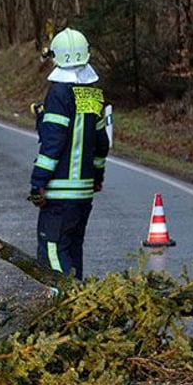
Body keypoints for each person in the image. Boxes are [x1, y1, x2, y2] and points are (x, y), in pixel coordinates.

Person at [28, 27, 110, 279]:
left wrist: (37, 182)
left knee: (52, 252)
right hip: (83, 193)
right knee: (73, 252)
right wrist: (97, 177)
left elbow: (53, 144)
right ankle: (81, 306)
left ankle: (66, 308)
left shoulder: (59, 93)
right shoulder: (93, 93)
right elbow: (101, 143)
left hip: (60, 193)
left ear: (57, 57)